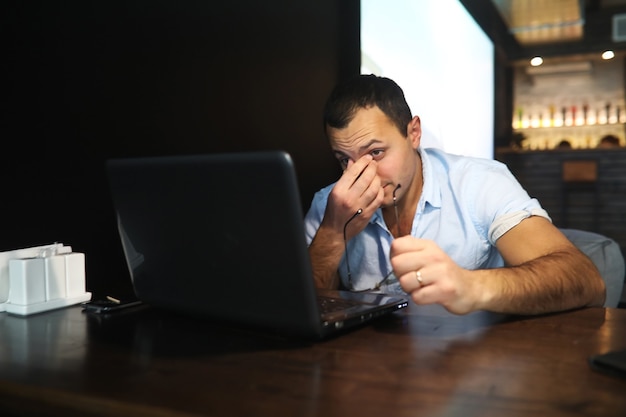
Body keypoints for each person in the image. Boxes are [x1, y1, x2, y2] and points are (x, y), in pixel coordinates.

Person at [304, 74, 605, 315]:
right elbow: (301, 308)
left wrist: (469, 286)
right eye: (345, 159)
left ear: (413, 133)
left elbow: (586, 280)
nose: (360, 175)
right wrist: (333, 230)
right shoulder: (331, 203)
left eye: (376, 152)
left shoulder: (479, 182)